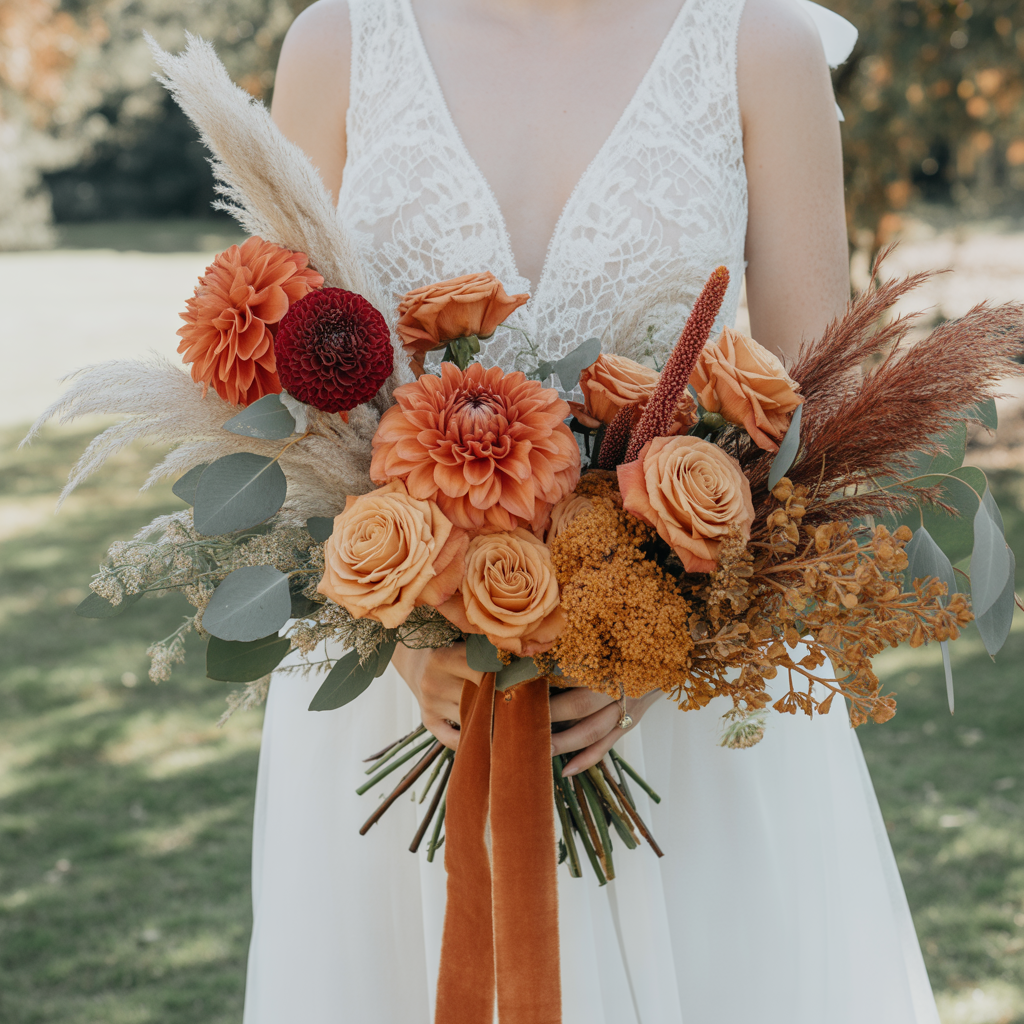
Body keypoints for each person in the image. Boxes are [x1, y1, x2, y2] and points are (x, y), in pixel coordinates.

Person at [245, 1, 941, 1021]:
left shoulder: (760, 46)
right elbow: (276, 385)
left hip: (681, 706)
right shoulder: (339, 41)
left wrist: (651, 647)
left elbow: (815, 426)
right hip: (400, 688)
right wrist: (401, 638)